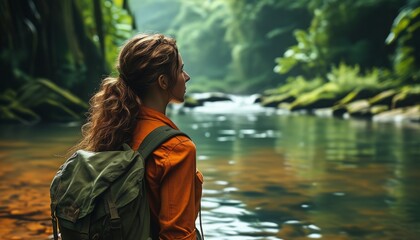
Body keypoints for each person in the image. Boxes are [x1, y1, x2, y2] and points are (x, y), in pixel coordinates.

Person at [74, 33, 204, 239]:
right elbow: (176, 235)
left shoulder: (113, 128)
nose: (186, 76)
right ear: (163, 82)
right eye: (180, 70)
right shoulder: (177, 148)